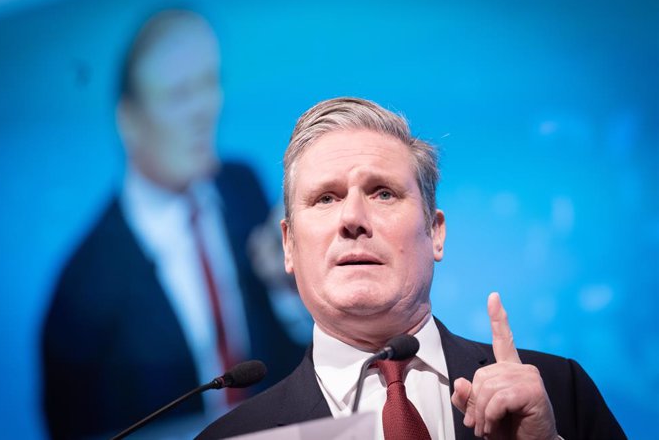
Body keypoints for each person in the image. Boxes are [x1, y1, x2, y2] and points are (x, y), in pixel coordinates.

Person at [197, 97, 626, 440]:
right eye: (325, 198)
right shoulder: (235, 437)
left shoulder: (559, 391)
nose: (352, 218)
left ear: (435, 232)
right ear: (288, 245)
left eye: (383, 193)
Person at [40, 9, 304, 439]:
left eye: (208, 84)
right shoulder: (82, 293)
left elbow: (291, 362)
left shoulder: (243, 188)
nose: (204, 109)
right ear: (129, 120)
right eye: (180, 94)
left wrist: (289, 292)